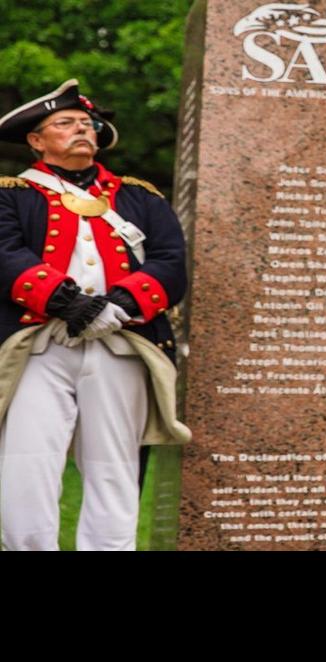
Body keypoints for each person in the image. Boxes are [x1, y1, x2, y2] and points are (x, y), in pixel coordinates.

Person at [0, 79, 188, 551]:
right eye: (65, 124)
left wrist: (119, 305)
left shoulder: (141, 198)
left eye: (87, 124)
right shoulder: (11, 195)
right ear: (36, 140)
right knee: (26, 463)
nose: (82, 130)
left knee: (114, 467)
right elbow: (5, 254)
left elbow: (170, 262)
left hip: (119, 344)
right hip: (39, 347)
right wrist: (70, 304)